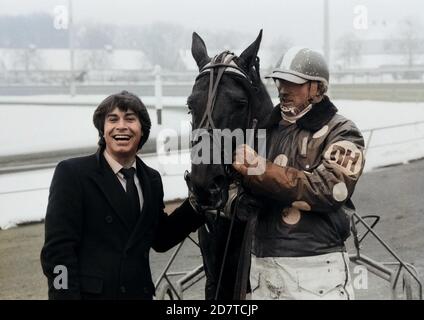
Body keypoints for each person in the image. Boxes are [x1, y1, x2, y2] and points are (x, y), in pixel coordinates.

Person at [40, 90, 204, 300]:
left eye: (130, 119)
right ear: (103, 129)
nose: (121, 126)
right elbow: (57, 253)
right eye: (113, 119)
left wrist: (198, 203)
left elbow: (161, 237)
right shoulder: (72, 174)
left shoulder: (151, 179)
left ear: (142, 130)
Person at [232, 47, 365, 300]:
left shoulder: (344, 130)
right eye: (280, 81)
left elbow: (330, 190)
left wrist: (259, 169)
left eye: (293, 82)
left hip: (317, 268)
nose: (283, 89)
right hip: (262, 267)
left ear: (317, 88)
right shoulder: (263, 131)